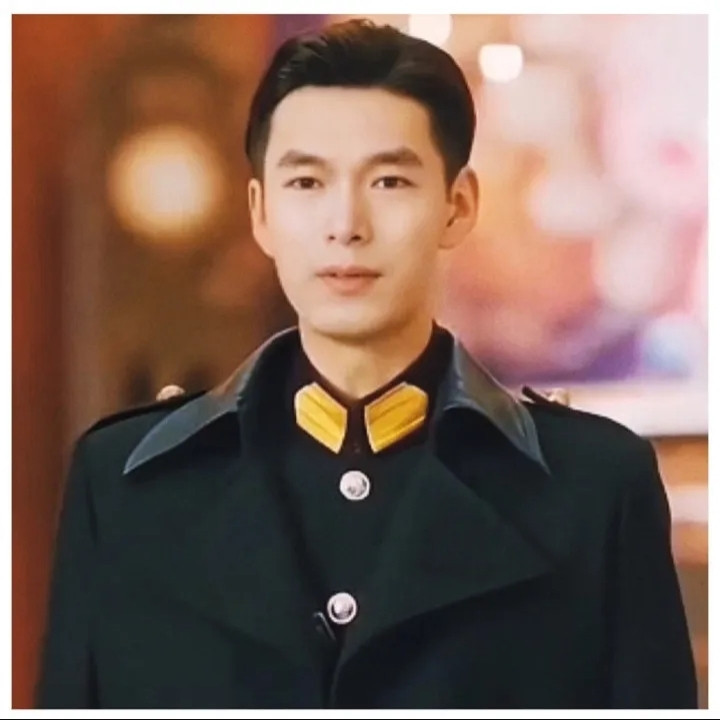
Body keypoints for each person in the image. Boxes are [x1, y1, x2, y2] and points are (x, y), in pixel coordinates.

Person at [36, 18, 697, 709]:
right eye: (306, 183)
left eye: (388, 181)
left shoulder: (592, 490)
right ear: (260, 212)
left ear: (457, 205)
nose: (346, 224)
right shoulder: (128, 489)